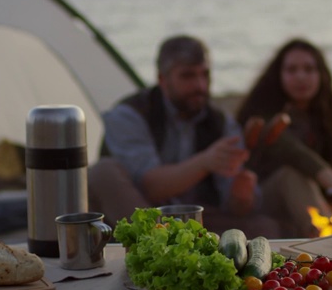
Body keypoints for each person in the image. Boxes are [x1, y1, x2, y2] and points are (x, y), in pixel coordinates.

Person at [88, 35, 281, 238]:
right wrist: (205, 162)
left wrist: (241, 194)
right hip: (143, 214)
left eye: (204, 75)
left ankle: (184, 247)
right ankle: (158, 246)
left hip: (199, 220)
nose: (199, 85)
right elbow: (151, 185)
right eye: (188, 76)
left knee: (265, 228)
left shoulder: (221, 122)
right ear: (163, 79)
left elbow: (236, 206)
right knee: (102, 172)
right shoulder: (130, 115)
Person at [236, 37, 332, 238]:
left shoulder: (327, 119)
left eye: (309, 69)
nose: (301, 77)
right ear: (278, 75)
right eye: (292, 70)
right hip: (260, 201)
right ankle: (329, 242)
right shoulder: (261, 116)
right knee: (291, 176)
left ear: (321, 74)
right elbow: (292, 151)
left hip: (310, 200)